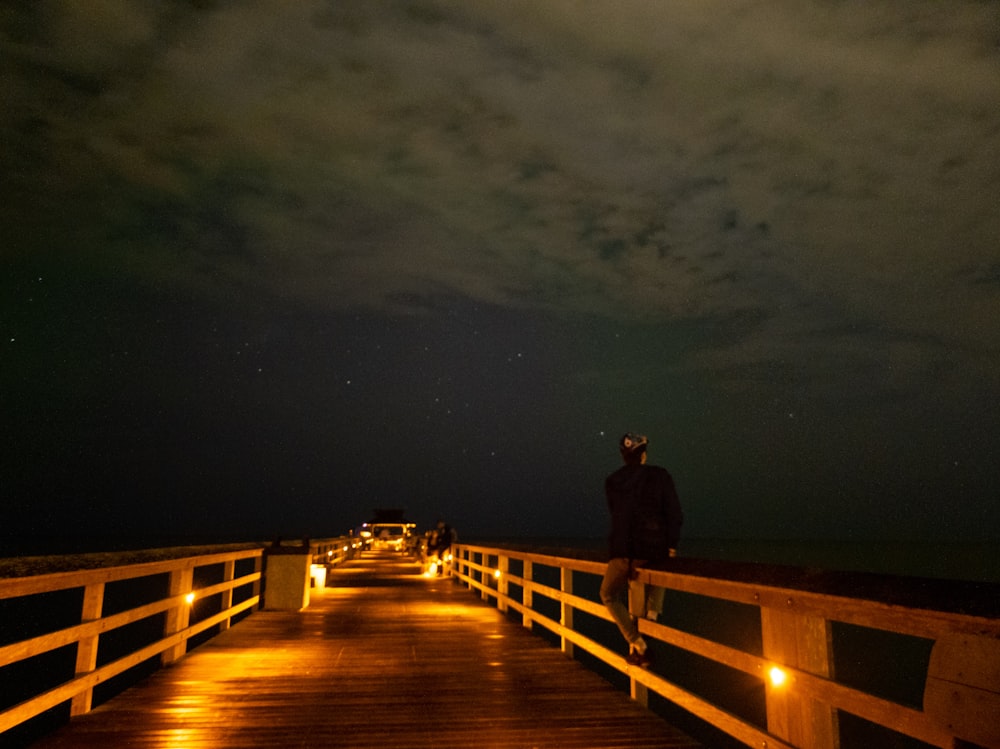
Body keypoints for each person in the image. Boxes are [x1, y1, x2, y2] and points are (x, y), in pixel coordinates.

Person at [600, 432, 683, 667]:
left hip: (622, 553)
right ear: (643, 455)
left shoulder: (612, 481)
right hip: (652, 552)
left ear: (624, 457)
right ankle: (651, 622)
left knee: (608, 594)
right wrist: (672, 545)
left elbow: (616, 514)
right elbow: (674, 513)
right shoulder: (660, 476)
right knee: (663, 569)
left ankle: (638, 643)